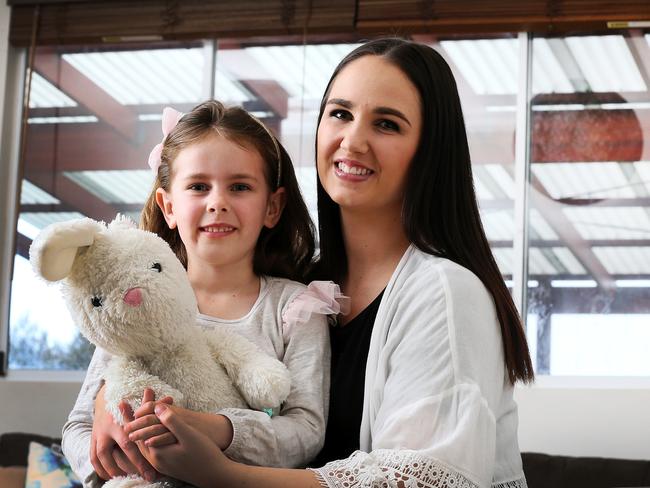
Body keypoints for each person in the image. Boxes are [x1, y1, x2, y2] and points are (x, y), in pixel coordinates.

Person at [116, 37, 535, 488]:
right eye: (340, 114)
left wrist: (223, 475)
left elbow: (420, 478)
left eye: (387, 124)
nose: (353, 141)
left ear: (430, 151)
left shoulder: (446, 293)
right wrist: (111, 405)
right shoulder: (300, 291)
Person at [61, 100, 343, 487]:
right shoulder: (131, 300)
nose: (217, 202)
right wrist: (113, 444)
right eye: (198, 186)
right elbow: (77, 428)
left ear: (272, 207)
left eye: (240, 186)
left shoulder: (295, 309)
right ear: (169, 206)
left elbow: (307, 432)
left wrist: (218, 429)